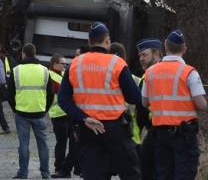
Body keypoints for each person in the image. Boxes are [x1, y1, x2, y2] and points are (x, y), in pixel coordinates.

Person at [58, 22, 142, 180]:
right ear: (108, 41)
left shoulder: (75, 64)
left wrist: (83, 118)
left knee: (93, 174)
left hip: (87, 128)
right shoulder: (117, 63)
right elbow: (134, 97)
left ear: (89, 41)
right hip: (115, 128)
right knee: (132, 173)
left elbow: (63, 100)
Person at [142, 30, 207, 180]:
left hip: (160, 135)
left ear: (165, 46)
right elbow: (201, 104)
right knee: (184, 174)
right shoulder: (189, 72)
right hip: (184, 135)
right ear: (184, 49)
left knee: (164, 174)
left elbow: (145, 102)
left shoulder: (150, 72)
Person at [8, 43, 53, 179]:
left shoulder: (16, 70)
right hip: (39, 112)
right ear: (35, 53)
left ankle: (23, 173)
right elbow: (51, 94)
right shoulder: (45, 70)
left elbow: (10, 94)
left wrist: (15, 108)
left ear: (23, 53)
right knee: (43, 144)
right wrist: (45, 109)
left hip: (22, 113)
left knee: (23, 144)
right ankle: (45, 173)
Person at [136, 38, 162, 180]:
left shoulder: (151, 76)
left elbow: (143, 109)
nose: (141, 59)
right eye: (140, 56)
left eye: (145, 55)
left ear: (157, 54)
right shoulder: (149, 75)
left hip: (153, 129)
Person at [47, 54, 76, 178]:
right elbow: (62, 91)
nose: (65, 65)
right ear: (54, 64)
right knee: (62, 143)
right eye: (62, 63)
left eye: (65, 63)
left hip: (69, 113)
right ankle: (59, 168)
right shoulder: (50, 76)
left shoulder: (64, 74)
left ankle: (67, 168)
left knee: (74, 142)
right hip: (58, 114)